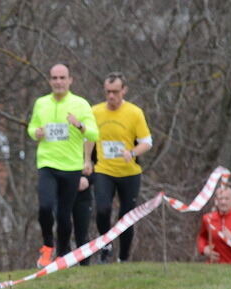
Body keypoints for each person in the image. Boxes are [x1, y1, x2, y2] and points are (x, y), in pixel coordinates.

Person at [27, 64, 98, 268]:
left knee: (64, 215)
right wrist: (36, 133)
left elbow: (94, 134)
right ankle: (48, 245)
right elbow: (32, 128)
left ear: (70, 80)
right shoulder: (41, 103)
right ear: (50, 80)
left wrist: (79, 125)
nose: (58, 82)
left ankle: (62, 254)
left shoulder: (80, 104)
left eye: (62, 78)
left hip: (71, 166)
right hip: (47, 163)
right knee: (45, 207)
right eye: (54, 78)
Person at [88, 72, 153, 262]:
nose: (111, 96)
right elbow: (88, 137)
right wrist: (87, 160)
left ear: (124, 90)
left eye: (115, 92)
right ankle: (106, 245)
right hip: (104, 170)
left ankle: (123, 258)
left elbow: (147, 142)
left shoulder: (134, 112)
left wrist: (132, 152)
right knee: (102, 209)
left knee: (126, 217)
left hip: (129, 172)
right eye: (107, 91)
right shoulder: (95, 111)